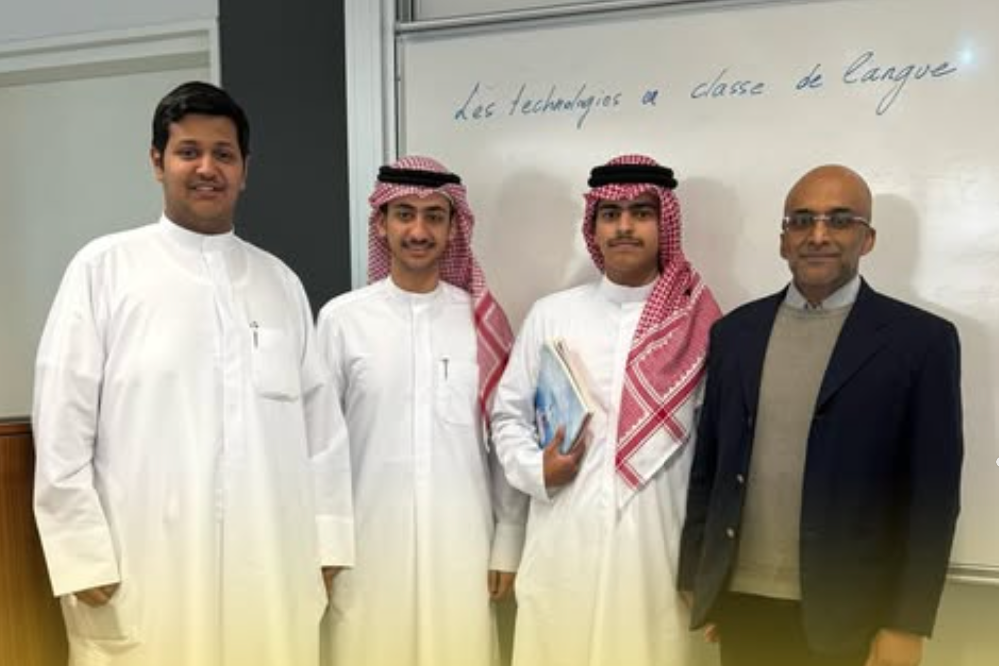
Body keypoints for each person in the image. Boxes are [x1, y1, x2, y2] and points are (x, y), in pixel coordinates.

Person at [32, 81, 355, 666]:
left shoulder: (279, 282)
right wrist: (80, 550)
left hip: (270, 562)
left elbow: (322, 432)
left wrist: (329, 542)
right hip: (145, 562)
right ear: (157, 162)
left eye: (223, 154)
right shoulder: (104, 269)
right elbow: (62, 421)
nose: (207, 168)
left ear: (245, 169)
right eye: (188, 152)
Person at [678, 165, 963, 666]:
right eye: (801, 220)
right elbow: (710, 469)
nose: (818, 235)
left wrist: (906, 622)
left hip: (852, 613)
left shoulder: (921, 342)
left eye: (840, 220)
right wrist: (699, 579)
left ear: (867, 238)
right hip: (742, 604)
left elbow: (932, 498)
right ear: (783, 240)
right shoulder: (735, 334)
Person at [491, 154, 721, 666]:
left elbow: (718, 452)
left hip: (657, 551)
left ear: (664, 223)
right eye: (611, 214)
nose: (624, 227)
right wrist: (537, 469)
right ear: (593, 226)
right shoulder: (553, 314)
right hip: (562, 545)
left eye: (642, 213)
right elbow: (507, 417)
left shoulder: (700, 323)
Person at [316, 155, 527, 666]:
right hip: (365, 546)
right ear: (382, 225)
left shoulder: (482, 321)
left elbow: (506, 438)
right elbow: (319, 443)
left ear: (453, 227)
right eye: (404, 214)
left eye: (434, 216)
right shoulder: (342, 320)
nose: (418, 230)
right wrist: (325, 543)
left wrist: (507, 541)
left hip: (464, 545)